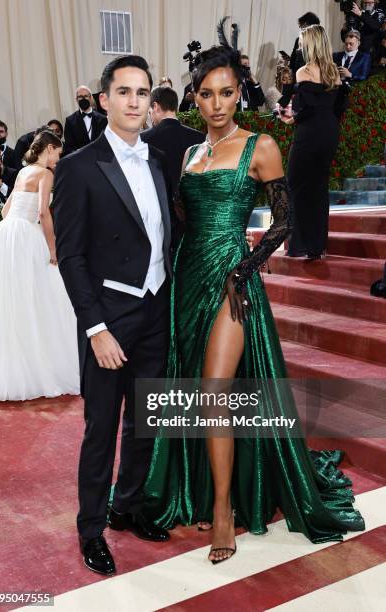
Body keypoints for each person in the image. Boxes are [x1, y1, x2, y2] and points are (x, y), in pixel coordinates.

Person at [141, 45, 364, 564]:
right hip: (188, 281)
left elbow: (284, 222)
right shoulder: (190, 154)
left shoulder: (260, 145)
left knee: (216, 389)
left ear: (239, 93)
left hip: (233, 284)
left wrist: (244, 269)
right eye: (207, 94)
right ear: (194, 98)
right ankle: (203, 490)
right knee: (196, 389)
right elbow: (180, 219)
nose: (218, 104)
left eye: (227, 93)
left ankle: (222, 510)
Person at [53, 55, 172, 577]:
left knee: (147, 421)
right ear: (103, 100)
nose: (132, 102)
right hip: (110, 318)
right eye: (123, 92)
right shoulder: (78, 166)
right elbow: (71, 257)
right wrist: (95, 327)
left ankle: (128, 506)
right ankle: (91, 528)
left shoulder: (160, 162)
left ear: (151, 101)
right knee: (101, 428)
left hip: (155, 310)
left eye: (142, 93)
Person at [0, 130, 79, 401]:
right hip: (26, 237)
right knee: (40, 299)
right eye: (57, 153)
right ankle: (39, 365)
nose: (59, 158)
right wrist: (52, 246)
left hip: (3, 236)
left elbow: (4, 210)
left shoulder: (23, 172)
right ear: (48, 148)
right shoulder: (46, 174)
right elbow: (43, 212)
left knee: (10, 302)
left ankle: (10, 370)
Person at [283, 25, 350, 259]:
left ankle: (299, 244)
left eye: (302, 42)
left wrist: (289, 118)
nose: (300, 47)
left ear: (310, 44)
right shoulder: (334, 71)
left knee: (295, 183)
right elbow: (338, 108)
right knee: (319, 187)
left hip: (309, 133)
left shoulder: (304, 71)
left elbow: (304, 109)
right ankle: (317, 246)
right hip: (329, 132)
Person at [142, 86, 204, 197]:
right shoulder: (199, 138)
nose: (150, 117)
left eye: (149, 112)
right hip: (189, 208)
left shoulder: (143, 139)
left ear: (155, 106)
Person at [63, 85, 107, 154]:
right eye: (80, 97)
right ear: (76, 99)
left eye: (86, 96)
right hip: (81, 161)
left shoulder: (103, 119)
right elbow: (68, 146)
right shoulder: (70, 121)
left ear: (90, 98)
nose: (83, 99)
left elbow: (107, 141)